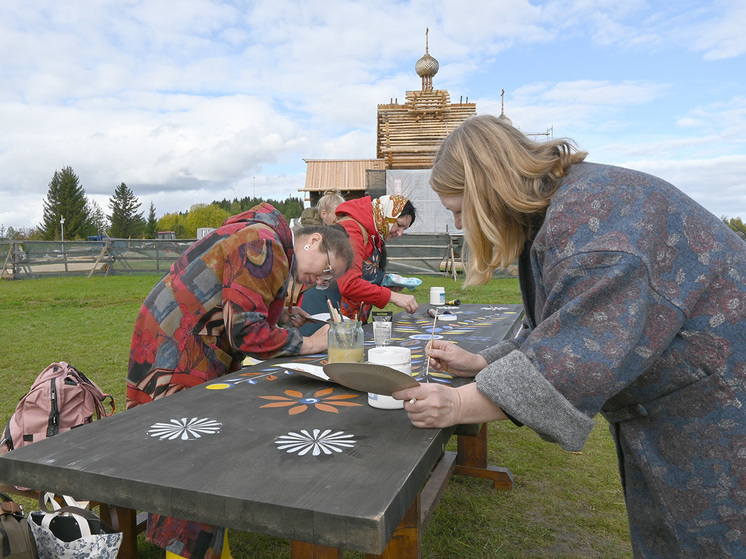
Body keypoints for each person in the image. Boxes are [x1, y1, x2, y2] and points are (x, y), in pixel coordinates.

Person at [392, 114, 746, 558]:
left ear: (487, 191)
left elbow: (574, 357)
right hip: (684, 398)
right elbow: (558, 328)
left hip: (721, 404)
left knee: (710, 542)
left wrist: (456, 403)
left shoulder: (595, 228)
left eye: (460, 210)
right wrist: (482, 363)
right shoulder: (570, 208)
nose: (461, 226)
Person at [126, 202, 354, 559]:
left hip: (182, 339)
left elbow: (234, 303)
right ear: (311, 242)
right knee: (191, 456)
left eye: (328, 280)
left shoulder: (267, 238)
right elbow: (244, 329)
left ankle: (215, 547)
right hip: (178, 349)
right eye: (325, 271)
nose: (321, 282)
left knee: (207, 448)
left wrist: (283, 319)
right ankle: (188, 552)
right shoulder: (264, 245)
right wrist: (309, 343)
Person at [299, 194, 419, 332]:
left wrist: (383, 283)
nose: (400, 233)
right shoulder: (352, 230)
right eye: (399, 225)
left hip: (348, 317)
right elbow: (349, 284)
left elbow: (360, 271)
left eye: (405, 229)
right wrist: (392, 296)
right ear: (386, 215)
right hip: (323, 313)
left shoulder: (374, 234)